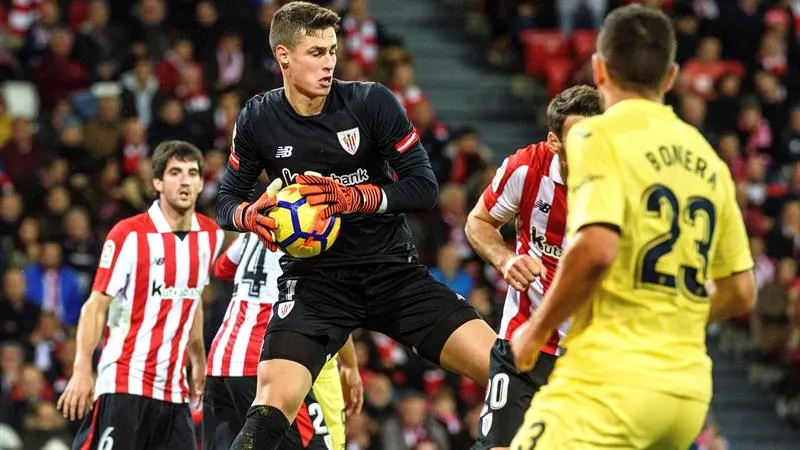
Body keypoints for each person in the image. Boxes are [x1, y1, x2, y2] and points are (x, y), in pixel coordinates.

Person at [215, 2, 497, 448]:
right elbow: (225, 199)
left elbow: (425, 187)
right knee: (269, 404)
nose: (328, 63)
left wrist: (355, 198)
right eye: (315, 52)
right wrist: (246, 217)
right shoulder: (258, 118)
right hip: (315, 285)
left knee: (504, 369)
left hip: (392, 273)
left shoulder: (371, 102)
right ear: (283, 56)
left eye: (332, 51)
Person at [509, 5, 757, 449]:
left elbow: (596, 248)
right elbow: (741, 290)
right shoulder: (709, 161)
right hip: (686, 393)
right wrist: (671, 316)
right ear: (670, 76)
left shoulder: (596, 136)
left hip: (612, 381)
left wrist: (536, 329)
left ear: (599, 69)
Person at [57, 140, 224, 450]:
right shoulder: (129, 234)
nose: (185, 180)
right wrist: (82, 369)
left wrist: (198, 357)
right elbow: (95, 305)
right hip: (125, 381)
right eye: (175, 172)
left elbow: (193, 296)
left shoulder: (210, 235)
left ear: (202, 182)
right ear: (157, 182)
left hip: (174, 391)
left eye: (192, 173)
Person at [465, 85, 602, 450]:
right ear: (554, 142)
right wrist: (506, 259)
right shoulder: (527, 169)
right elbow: (478, 222)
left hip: (594, 354)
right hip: (524, 343)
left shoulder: (624, 181)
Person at [204, 231, 362, 450]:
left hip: (221, 362)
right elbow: (330, 306)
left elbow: (222, 267)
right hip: (269, 365)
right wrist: (351, 365)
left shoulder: (257, 223)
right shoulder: (314, 231)